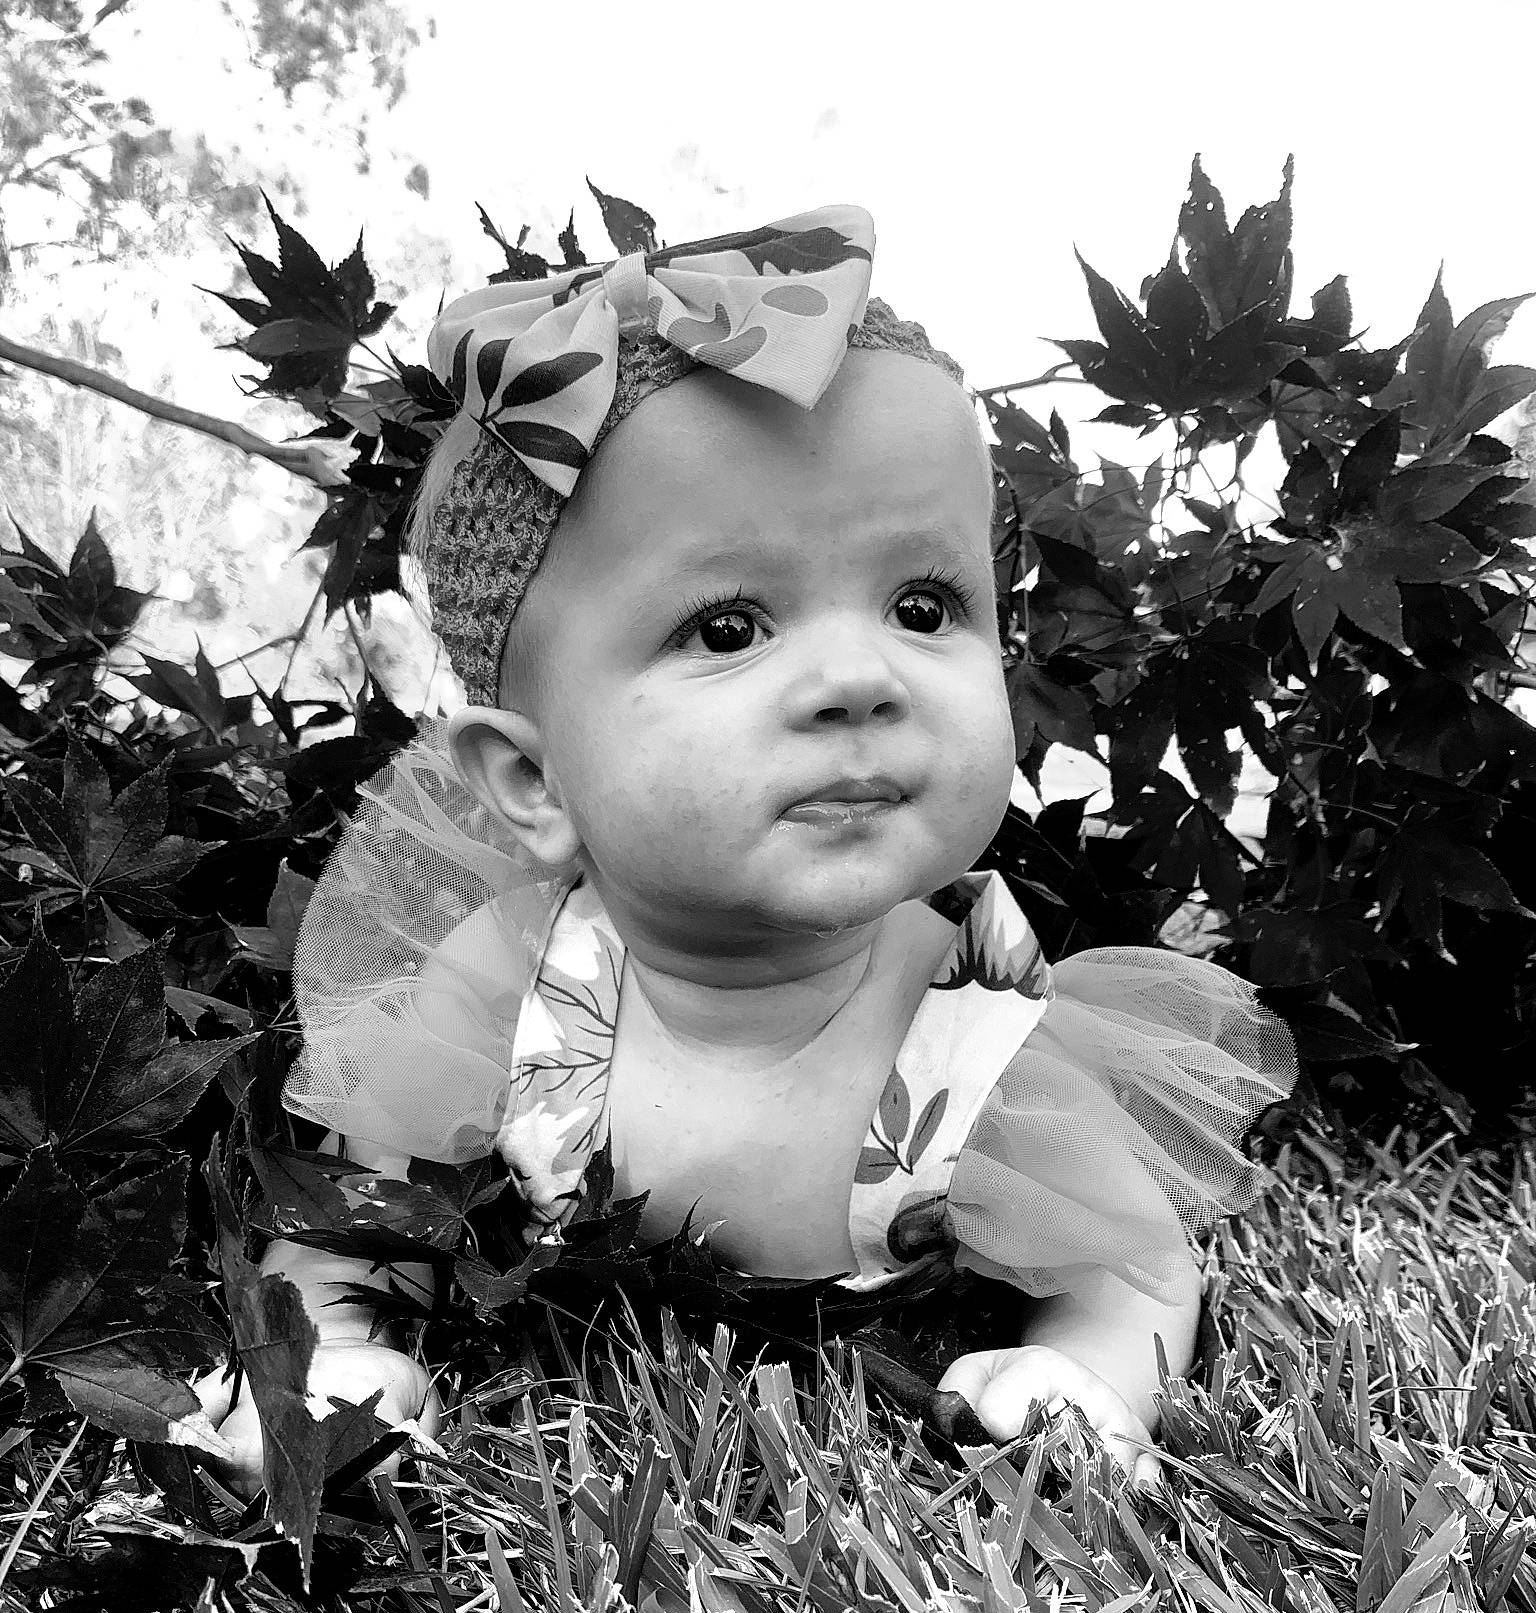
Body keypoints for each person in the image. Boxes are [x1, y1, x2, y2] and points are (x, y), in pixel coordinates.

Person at [198, 205, 1297, 1494]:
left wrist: (1088, 1367)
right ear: (534, 782)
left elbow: (1133, 1258)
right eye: (727, 627)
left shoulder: (980, 1020)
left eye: (923, 606)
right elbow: (361, 1216)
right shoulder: (506, 981)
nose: (855, 677)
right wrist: (341, 1346)